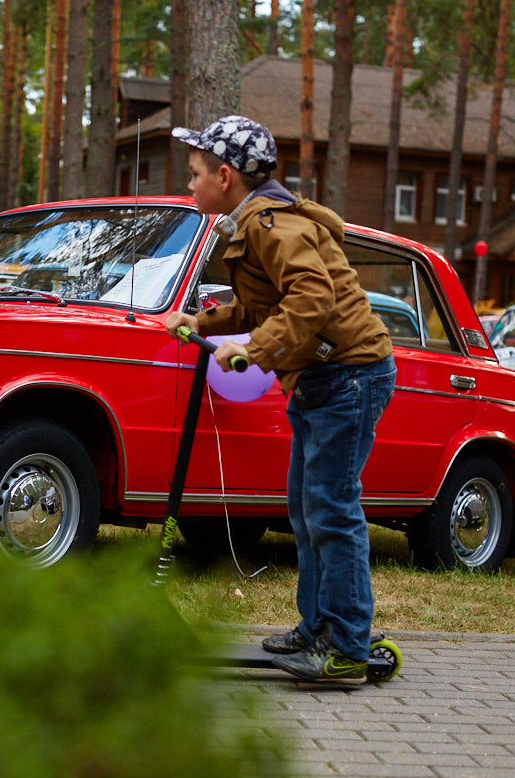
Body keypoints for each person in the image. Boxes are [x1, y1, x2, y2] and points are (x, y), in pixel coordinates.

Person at [164, 115, 395, 686]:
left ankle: (345, 646)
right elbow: (265, 303)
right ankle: (317, 627)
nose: (189, 184)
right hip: (323, 378)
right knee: (305, 511)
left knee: (332, 511)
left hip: (349, 375)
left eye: (194, 174)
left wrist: (253, 351)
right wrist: (207, 322)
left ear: (225, 175)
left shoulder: (272, 226)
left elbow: (312, 297)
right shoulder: (256, 222)